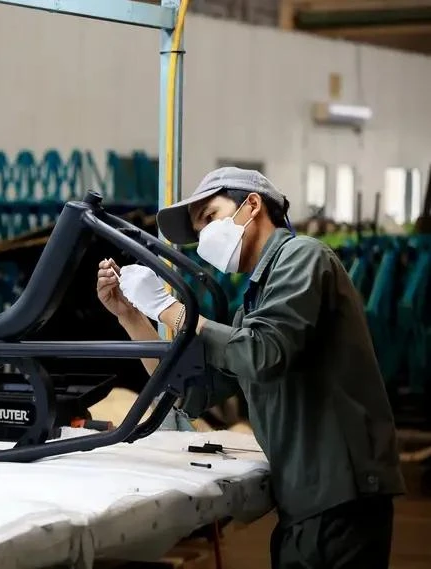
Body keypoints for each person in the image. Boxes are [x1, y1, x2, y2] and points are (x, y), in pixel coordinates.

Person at [97, 167, 404, 569]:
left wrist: (169, 309)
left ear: (252, 205)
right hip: (307, 500)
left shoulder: (303, 258)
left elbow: (261, 354)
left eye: (209, 217)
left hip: (340, 495)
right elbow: (192, 391)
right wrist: (131, 316)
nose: (205, 236)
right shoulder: (255, 303)